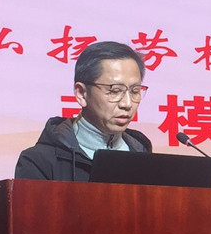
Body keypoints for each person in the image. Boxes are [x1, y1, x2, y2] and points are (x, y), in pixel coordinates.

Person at [14, 40, 153, 180]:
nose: (127, 104)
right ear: (81, 93)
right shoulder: (38, 162)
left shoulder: (144, 158)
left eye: (135, 91)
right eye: (115, 91)